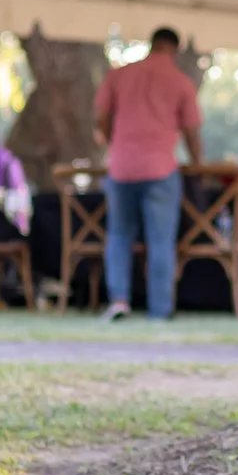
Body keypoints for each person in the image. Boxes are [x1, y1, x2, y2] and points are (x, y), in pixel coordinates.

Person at [93, 26, 202, 322]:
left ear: (151, 44)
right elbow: (192, 132)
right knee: (160, 241)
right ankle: (160, 309)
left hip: (121, 166)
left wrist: (114, 142)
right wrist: (198, 163)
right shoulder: (181, 82)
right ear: (175, 49)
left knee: (118, 235)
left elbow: (101, 118)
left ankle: (119, 301)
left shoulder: (120, 75)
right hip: (161, 169)